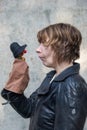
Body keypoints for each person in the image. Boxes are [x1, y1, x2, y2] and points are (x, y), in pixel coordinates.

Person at [1, 23, 87, 130]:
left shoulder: (72, 85)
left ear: (63, 46)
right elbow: (28, 109)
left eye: (44, 44)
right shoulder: (52, 78)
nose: (38, 49)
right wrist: (14, 85)